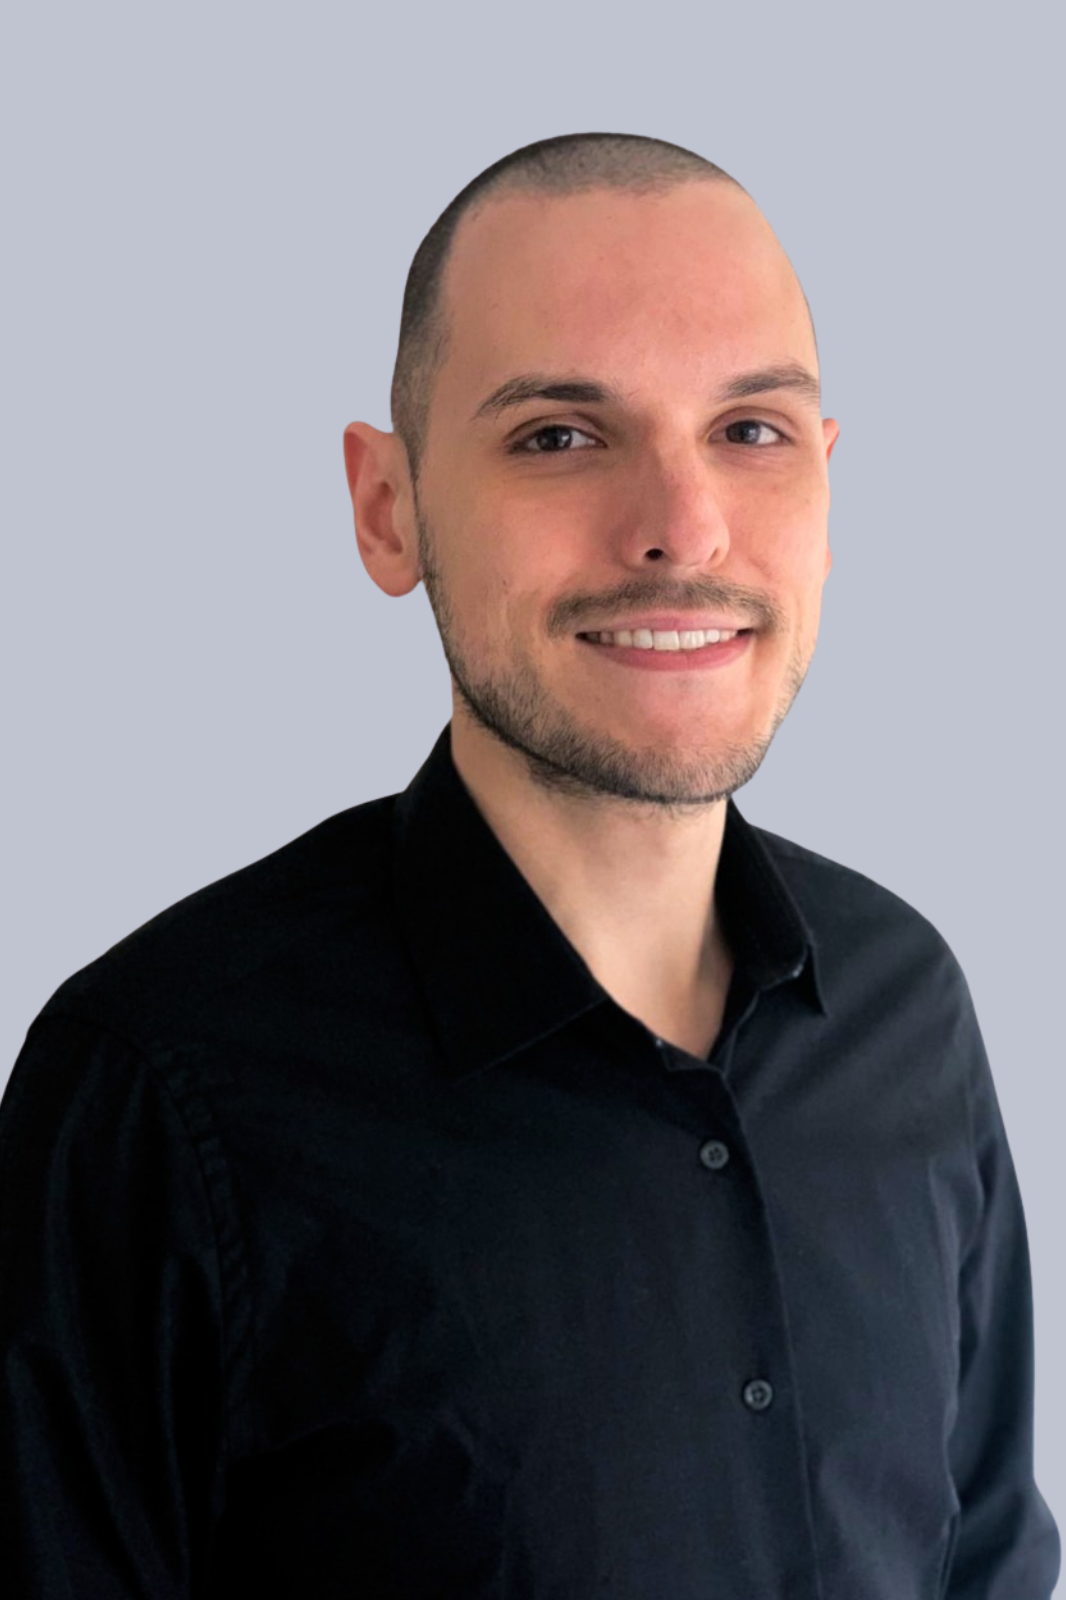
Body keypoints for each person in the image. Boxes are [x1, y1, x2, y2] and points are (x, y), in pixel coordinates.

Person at [0, 131, 1058, 1599]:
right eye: (560, 435)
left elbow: (987, 1553)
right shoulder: (158, 1089)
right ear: (389, 509)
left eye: (748, 430)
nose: (681, 529)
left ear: (826, 479)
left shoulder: (908, 1004)